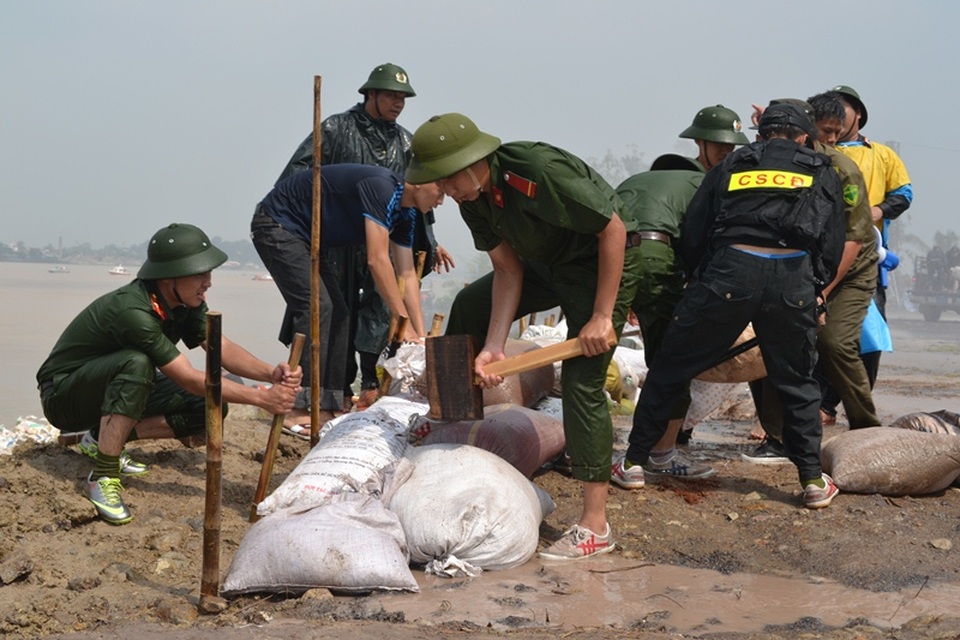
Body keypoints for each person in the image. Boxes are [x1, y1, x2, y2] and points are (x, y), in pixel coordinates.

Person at [405, 113, 642, 560]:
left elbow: (613, 228)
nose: (448, 192)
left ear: (475, 160)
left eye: (450, 179)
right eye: (441, 183)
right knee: (469, 305)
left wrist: (602, 316)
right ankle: (449, 421)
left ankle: (595, 525)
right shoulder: (473, 199)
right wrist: (494, 346)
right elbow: (508, 269)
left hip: (599, 263)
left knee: (580, 379)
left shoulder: (536, 172)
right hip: (544, 265)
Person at [622, 103, 846, 509]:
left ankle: (634, 463)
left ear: (761, 135)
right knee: (797, 381)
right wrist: (815, 288)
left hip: (730, 272)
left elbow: (696, 226)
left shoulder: (736, 162)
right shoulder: (820, 167)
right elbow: (831, 239)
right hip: (792, 277)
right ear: (802, 137)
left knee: (671, 366)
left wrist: (699, 276)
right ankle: (813, 480)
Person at [36, 223, 303, 525]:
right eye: (199, 274)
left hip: (113, 387)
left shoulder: (184, 302)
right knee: (135, 363)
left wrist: (271, 373)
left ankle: (99, 439)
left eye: (208, 273)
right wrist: (261, 399)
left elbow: (221, 347)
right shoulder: (134, 311)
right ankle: (102, 476)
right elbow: (188, 377)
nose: (208, 282)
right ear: (168, 277)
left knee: (208, 407)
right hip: (64, 396)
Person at [274, 63, 453, 414]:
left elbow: (419, 194)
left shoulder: (405, 142)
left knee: (382, 311)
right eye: (390, 95)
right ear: (370, 93)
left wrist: (429, 241)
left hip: (383, 241)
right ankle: (328, 394)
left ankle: (372, 388)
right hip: (338, 241)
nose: (397, 103)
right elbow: (298, 175)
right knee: (333, 314)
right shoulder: (337, 129)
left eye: (403, 97)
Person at [611, 105, 750, 487]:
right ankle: (661, 455)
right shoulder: (708, 185)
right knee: (674, 364)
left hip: (609, 257)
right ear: (699, 145)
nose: (725, 153)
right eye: (719, 146)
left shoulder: (641, 179)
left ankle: (584, 450)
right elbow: (706, 246)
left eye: (730, 147)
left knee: (593, 358)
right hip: (658, 256)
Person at [251, 164, 444, 432]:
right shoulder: (383, 188)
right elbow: (377, 260)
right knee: (317, 307)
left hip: (305, 237)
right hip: (278, 223)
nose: (442, 200)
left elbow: (407, 273)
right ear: (421, 181)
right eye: (441, 190)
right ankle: (297, 407)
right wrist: (401, 322)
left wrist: (420, 335)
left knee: (339, 311)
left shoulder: (407, 214)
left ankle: (326, 406)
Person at [741, 96, 879, 463]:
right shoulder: (770, 161)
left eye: (837, 132)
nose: (831, 139)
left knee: (834, 343)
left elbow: (853, 238)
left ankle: (867, 429)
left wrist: (823, 292)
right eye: (824, 131)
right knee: (769, 337)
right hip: (800, 267)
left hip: (848, 271)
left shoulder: (842, 169)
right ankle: (778, 435)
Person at [818, 85, 913, 424]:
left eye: (843, 110)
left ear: (857, 114)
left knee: (868, 337)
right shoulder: (815, 151)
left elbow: (904, 194)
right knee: (820, 333)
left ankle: (843, 405)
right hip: (822, 255)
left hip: (868, 256)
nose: (837, 119)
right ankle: (820, 405)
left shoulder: (882, 155)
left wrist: (876, 210)